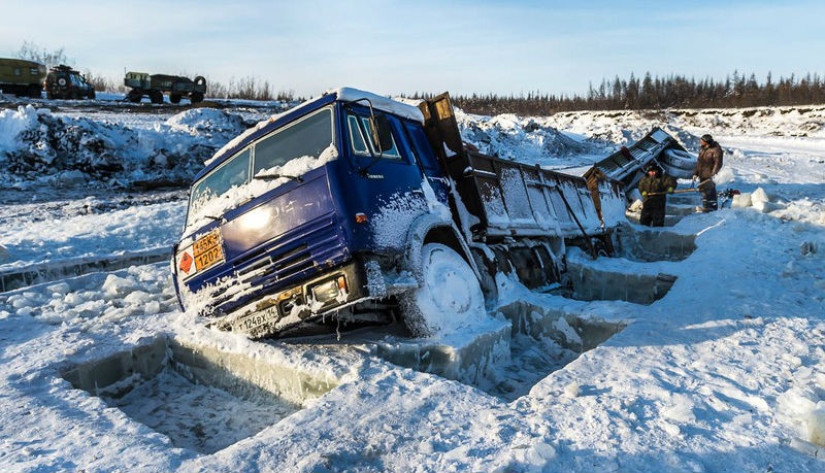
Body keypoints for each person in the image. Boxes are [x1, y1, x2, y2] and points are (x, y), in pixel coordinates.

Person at [637, 162, 676, 227]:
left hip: (659, 204)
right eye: (651, 171)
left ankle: (657, 233)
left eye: (654, 171)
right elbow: (641, 186)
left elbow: (671, 181)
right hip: (647, 203)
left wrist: (670, 188)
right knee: (644, 222)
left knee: (658, 223)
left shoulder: (662, 177)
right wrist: (643, 192)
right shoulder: (645, 178)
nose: (653, 173)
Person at [693, 134, 724, 212]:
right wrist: (696, 173)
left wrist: (713, 174)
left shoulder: (716, 149)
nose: (700, 142)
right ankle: (706, 207)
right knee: (704, 192)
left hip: (709, 174)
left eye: (702, 141)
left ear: (706, 142)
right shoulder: (702, 148)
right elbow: (699, 162)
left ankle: (712, 208)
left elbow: (718, 163)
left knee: (710, 192)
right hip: (702, 173)